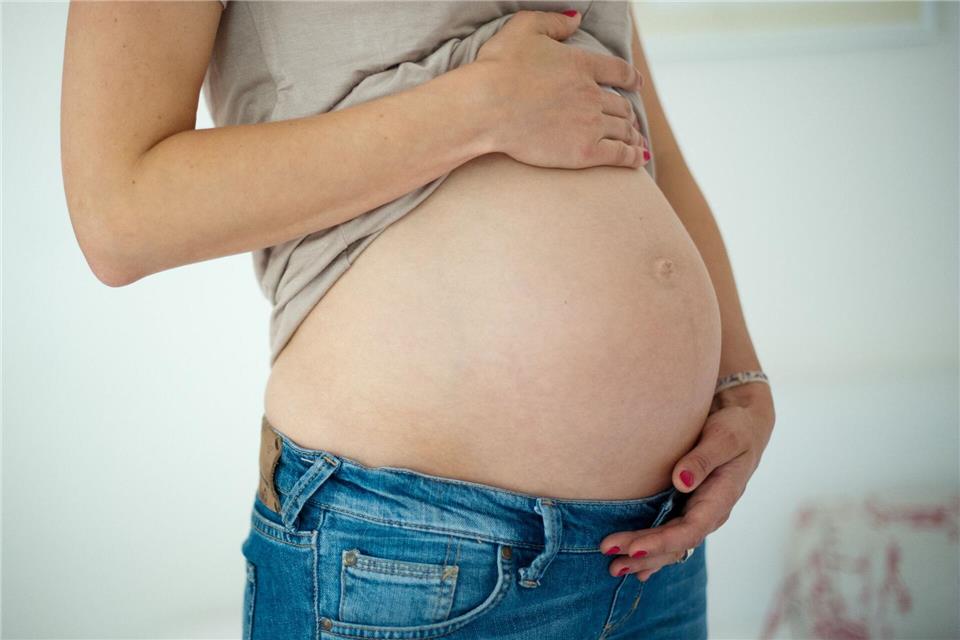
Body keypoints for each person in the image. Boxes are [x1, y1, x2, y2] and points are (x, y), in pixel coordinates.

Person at [60, 2, 776, 638]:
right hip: (406, 548)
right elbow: (121, 213)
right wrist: (479, 109)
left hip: (654, 557)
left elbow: (639, 131)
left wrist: (740, 381)